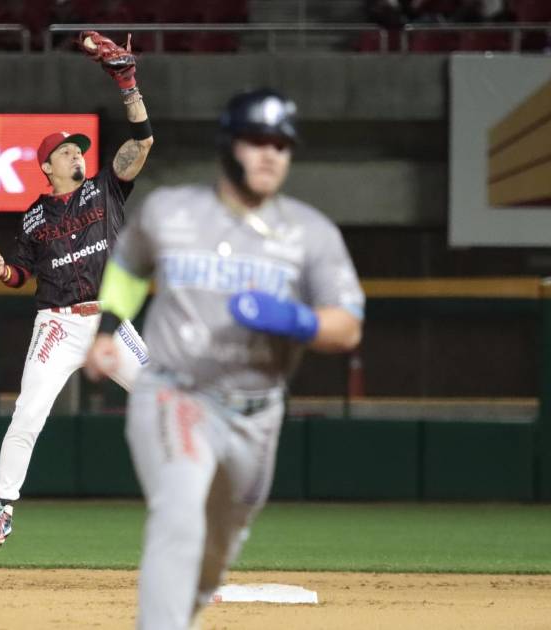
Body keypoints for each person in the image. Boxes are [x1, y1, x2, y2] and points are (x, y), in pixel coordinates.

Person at [84, 88, 365, 630]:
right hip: (176, 394)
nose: (270, 154)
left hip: (257, 413)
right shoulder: (171, 212)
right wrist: (107, 327)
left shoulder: (311, 234)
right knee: (179, 516)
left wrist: (296, 321)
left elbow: (348, 325)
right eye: (257, 140)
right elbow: (128, 266)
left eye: (281, 144)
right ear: (228, 146)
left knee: (215, 554)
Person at [0, 31, 154, 547]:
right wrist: (3, 272)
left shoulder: (105, 188)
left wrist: (127, 83)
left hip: (107, 321)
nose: (78, 155)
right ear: (47, 166)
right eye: (67, 151)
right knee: (28, 412)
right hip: (56, 323)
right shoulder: (34, 218)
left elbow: (142, 142)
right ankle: (1, 509)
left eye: (79, 150)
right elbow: (22, 274)